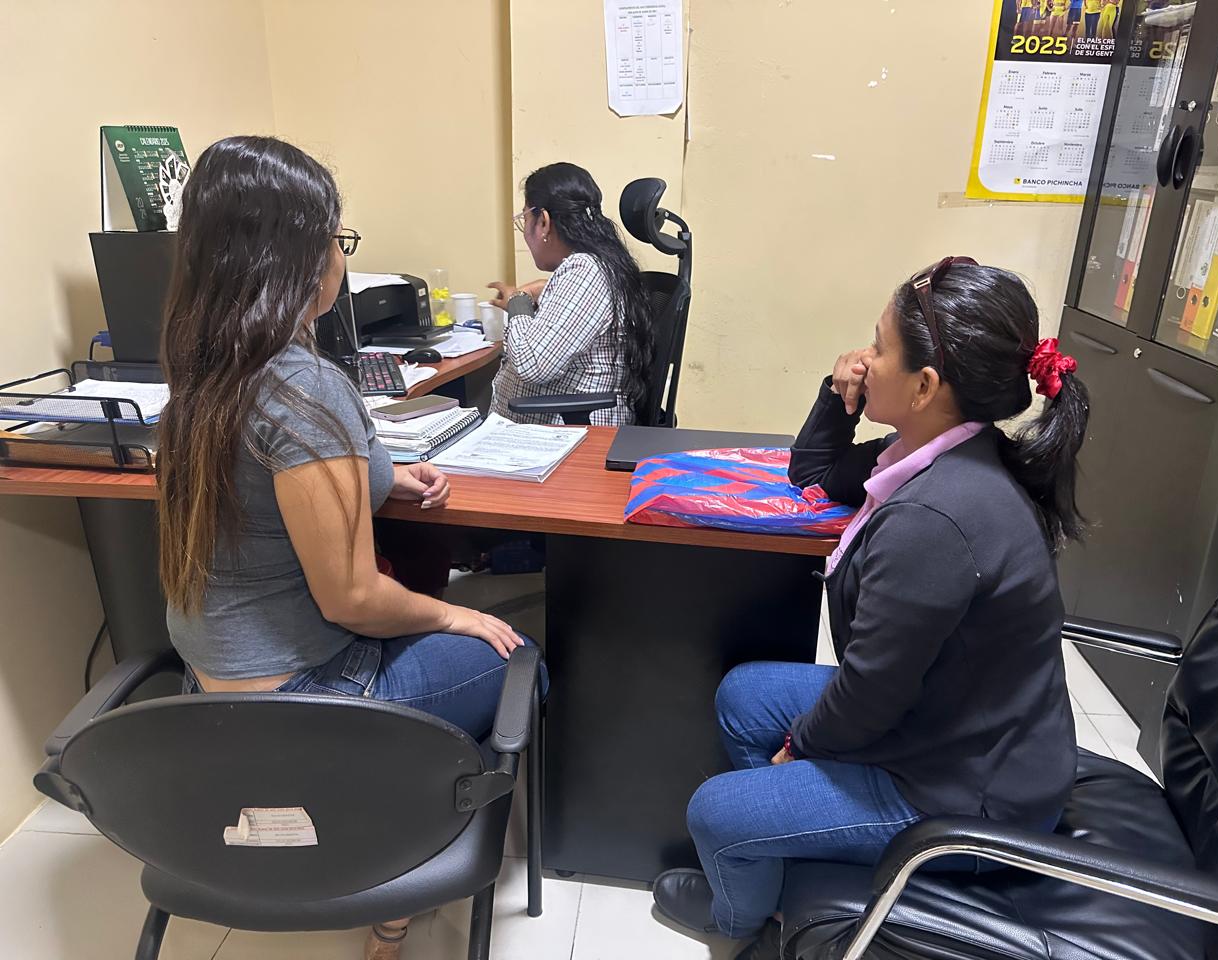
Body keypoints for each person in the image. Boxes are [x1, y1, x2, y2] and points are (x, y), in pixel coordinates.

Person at [156, 135, 541, 960]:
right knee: (520, 656)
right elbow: (353, 598)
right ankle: (396, 878)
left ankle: (361, 810)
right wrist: (454, 616)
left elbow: (267, 490)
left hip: (205, 705)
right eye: (338, 237)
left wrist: (380, 478)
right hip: (307, 699)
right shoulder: (306, 388)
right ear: (299, 256)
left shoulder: (197, 374)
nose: (341, 255)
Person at [652, 258, 1088, 959]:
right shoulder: (940, 451)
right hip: (948, 720)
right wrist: (837, 394)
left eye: (879, 348)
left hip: (969, 792)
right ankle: (783, 866)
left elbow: (870, 691)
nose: (864, 358)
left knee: (716, 813)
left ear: (925, 386)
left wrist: (800, 750)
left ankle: (741, 922)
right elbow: (815, 474)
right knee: (745, 695)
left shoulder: (936, 518)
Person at [487, 162, 653, 426]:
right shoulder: (598, 265)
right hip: (547, 428)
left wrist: (518, 301)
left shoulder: (586, 269)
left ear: (543, 222)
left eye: (524, 220)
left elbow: (533, 364)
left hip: (570, 435)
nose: (525, 232)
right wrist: (546, 293)